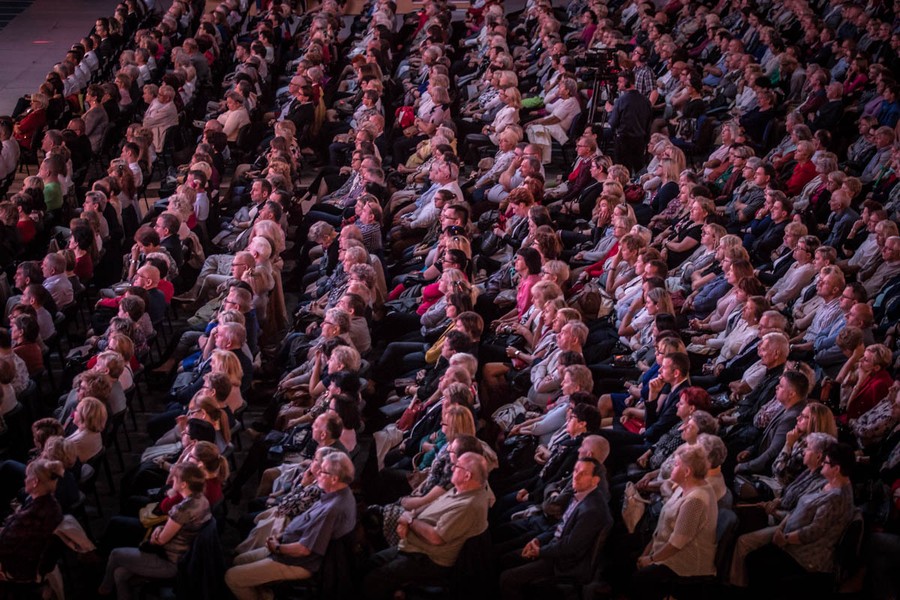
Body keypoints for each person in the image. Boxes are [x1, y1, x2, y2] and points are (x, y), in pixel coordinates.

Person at [225, 451, 357, 600]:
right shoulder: (336, 492)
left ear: (334, 478)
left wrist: (277, 547)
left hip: (298, 562)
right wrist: (280, 537)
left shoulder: (332, 509)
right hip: (287, 545)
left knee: (232, 577)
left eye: (323, 471)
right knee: (239, 560)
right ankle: (266, 594)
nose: (318, 472)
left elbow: (304, 549)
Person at [364, 452, 491, 599]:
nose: (451, 469)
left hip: (428, 557)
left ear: (467, 476)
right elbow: (432, 503)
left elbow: (436, 537)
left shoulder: (468, 506)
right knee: (371, 562)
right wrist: (409, 516)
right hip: (414, 544)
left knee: (373, 580)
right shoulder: (460, 488)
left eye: (456, 466)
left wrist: (410, 522)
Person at [499, 457, 612, 600]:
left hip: (565, 563)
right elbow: (560, 526)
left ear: (595, 480)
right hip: (554, 548)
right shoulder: (581, 493)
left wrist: (540, 552)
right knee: (507, 558)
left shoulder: (593, 509)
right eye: (575, 470)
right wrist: (538, 540)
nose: (575, 476)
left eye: (582, 473)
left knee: (507, 579)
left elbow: (570, 547)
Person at [99, 462, 212, 599]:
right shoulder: (202, 500)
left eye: (175, 478)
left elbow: (159, 540)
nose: (171, 481)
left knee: (116, 554)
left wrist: (158, 531)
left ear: (184, 484)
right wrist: (160, 529)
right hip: (185, 557)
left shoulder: (182, 509)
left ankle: (103, 590)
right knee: (120, 574)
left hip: (171, 562)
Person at [632, 444, 718, 599]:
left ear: (687, 472)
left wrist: (650, 559)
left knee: (639, 579)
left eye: (676, 464)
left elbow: (677, 543)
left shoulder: (696, 500)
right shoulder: (684, 486)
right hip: (664, 550)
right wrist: (646, 552)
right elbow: (662, 527)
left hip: (685, 562)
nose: (671, 466)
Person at [0, 459, 65, 582]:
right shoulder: (52, 504)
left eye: (27, 476)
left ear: (35, 482)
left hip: (19, 567)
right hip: (31, 556)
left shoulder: (30, 517)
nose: (24, 480)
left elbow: (3, 546)